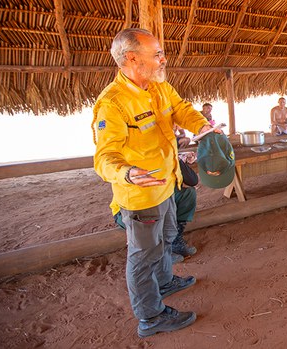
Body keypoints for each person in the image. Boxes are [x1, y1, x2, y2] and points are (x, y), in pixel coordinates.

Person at [92, 28, 218, 338]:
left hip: (166, 185)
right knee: (143, 255)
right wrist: (128, 173)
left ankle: (165, 282)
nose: (163, 58)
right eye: (157, 53)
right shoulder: (113, 104)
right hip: (140, 195)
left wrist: (202, 126)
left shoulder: (159, 87)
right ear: (132, 57)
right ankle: (150, 316)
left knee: (166, 237)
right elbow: (104, 157)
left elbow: (181, 109)